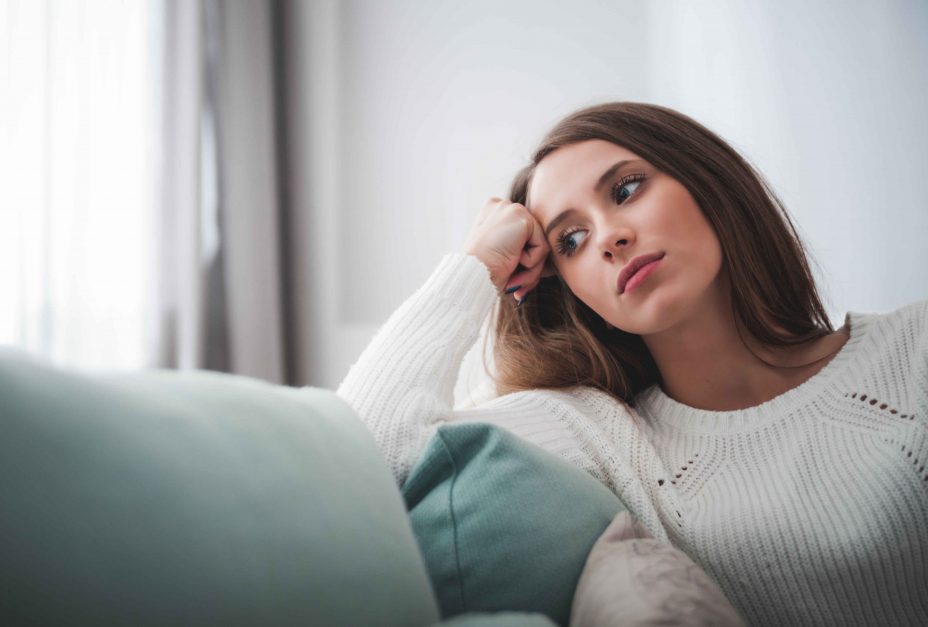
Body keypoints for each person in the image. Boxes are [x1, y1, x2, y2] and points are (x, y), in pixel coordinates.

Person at [336, 101, 928, 626]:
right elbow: (360, 464)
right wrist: (474, 268)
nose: (608, 238)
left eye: (624, 190)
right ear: (570, 290)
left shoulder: (913, 349)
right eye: (569, 240)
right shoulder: (602, 435)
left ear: (706, 180)